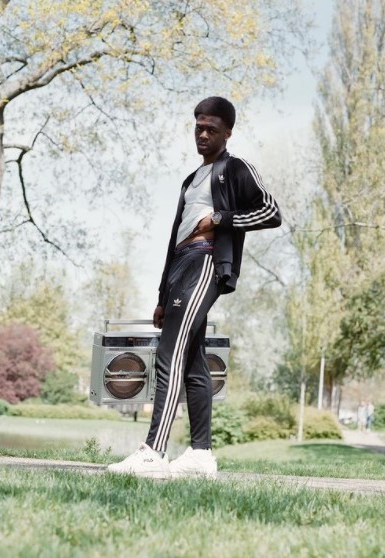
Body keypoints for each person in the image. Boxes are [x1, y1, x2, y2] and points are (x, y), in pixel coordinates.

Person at [107, 96, 282, 479]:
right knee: (192, 362)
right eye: (198, 128)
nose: (202, 135)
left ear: (228, 133)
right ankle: (201, 455)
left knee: (169, 354)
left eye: (211, 129)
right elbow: (174, 238)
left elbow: (271, 212)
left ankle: (153, 453)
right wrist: (160, 298)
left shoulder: (235, 168)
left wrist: (220, 218)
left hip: (205, 261)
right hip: (180, 267)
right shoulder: (191, 180)